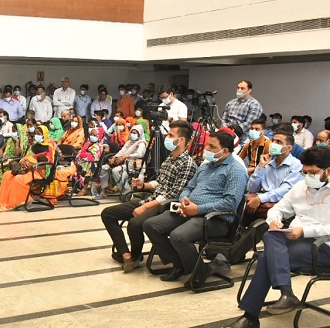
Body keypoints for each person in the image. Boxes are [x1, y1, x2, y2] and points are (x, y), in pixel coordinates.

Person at [224, 146, 330, 328]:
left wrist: (304, 231)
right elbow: (278, 209)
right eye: (305, 172)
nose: (308, 176)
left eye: (313, 173)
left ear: (327, 170)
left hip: (322, 247)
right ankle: (285, 293)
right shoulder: (301, 187)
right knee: (270, 233)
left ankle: (252, 315)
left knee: (267, 258)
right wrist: (275, 220)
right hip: (297, 242)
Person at [142, 131, 249, 284]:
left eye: (212, 147)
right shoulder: (205, 166)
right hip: (189, 211)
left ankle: (200, 272)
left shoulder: (235, 170)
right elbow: (189, 187)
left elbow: (230, 203)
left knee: (179, 236)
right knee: (151, 225)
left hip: (215, 219)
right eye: (207, 145)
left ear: (225, 151)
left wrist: (198, 209)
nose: (207, 149)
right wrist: (184, 199)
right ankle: (179, 265)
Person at [101, 121, 198, 272]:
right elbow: (160, 182)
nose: (166, 138)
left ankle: (135, 256)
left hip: (162, 206)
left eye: (171, 135)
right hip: (151, 199)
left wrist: (145, 206)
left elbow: (174, 194)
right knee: (108, 214)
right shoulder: (170, 158)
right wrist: (144, 185)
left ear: (181, 140)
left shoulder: (187, 164)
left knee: (134, 223)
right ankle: (126, 254)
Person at [245, 131, 302, 220]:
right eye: (273, 141)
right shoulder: (268, 163)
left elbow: (286, 190)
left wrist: (261, 198)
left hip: (282, 203)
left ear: (289, 148)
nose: (273, 144)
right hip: (263, 198)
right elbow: (251, 189)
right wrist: (260, 167)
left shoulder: (296, 165)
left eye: (278, 142)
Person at [0, 125, 55, 210]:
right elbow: (26, 157)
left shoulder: (49, 148)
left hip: (39, 171)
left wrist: (32, 166)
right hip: (27, 169)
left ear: (44, 135)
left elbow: (48, 164)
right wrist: (23, 162)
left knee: (19, 179)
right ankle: (5, 201)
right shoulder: (33, 146)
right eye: (35, 134)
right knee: (7, 175)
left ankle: (21, 202)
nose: (36, 136)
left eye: (39, 134)